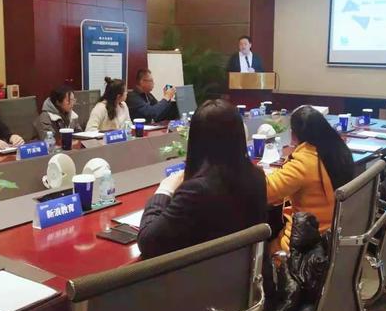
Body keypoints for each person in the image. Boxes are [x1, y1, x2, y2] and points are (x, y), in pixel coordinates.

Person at [138, 99, 267, 258]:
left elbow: (147, 241)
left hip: (203, 273)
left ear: (195, 140)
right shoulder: (257, 177)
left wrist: (164, 190)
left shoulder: (196, 191)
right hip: (242, 271)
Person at [266, 106, 355, 252]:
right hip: (334, 236)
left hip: (304, 246)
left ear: (294, 135)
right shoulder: (339, 151)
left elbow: (267, 191)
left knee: (260, 249)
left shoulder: (304, 162)